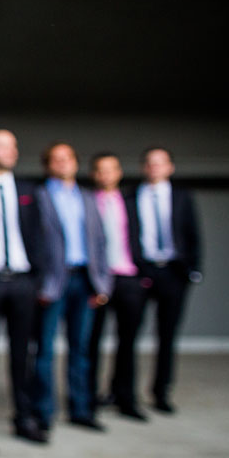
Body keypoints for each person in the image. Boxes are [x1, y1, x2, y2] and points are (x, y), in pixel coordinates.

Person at [0, 129, 48, 448]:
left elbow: (39, 235)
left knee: (22, 353)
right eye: (2, 145)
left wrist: (36, 278)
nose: (10, 151)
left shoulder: (28, 190)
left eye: (14, 146)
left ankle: (24, 416)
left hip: (22, 281)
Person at [34, 141, 112, 433]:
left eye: (68, 158)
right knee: (45, 349)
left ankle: (81, 409)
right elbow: (36, 242)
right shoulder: (40, 196)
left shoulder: (88, 197)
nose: (63, 163)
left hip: (85, 280)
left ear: (76, 163)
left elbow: (101, 243)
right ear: (48, 165)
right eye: (56, 159)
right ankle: (44, 411)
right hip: (54, 282)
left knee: (81, 348)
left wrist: (103, 283)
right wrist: (41, 283)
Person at [133, 146, 202, 414]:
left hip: (173, 273)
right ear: (143, 168)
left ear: (170, 167)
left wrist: (193, 270)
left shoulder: (182, 197)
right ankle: (122, 391)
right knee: (129, 335)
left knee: (167, 335)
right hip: (142, 271)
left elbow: (192, 234)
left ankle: (161, 391)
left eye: (160, 163)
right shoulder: (132, 197)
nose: (155, 168)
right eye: (150, 163)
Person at [87, 152, 149, 421]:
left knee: (128, 342)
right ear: (94, 174)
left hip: (128, 277)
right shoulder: (87, 201)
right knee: (92, 342)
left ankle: (125, 397)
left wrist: (144, 275)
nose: (106, 175)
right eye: (100, 170)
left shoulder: (132, 202)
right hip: (100, 279)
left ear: (119, 172)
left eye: (111, 169)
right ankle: (88, 398)